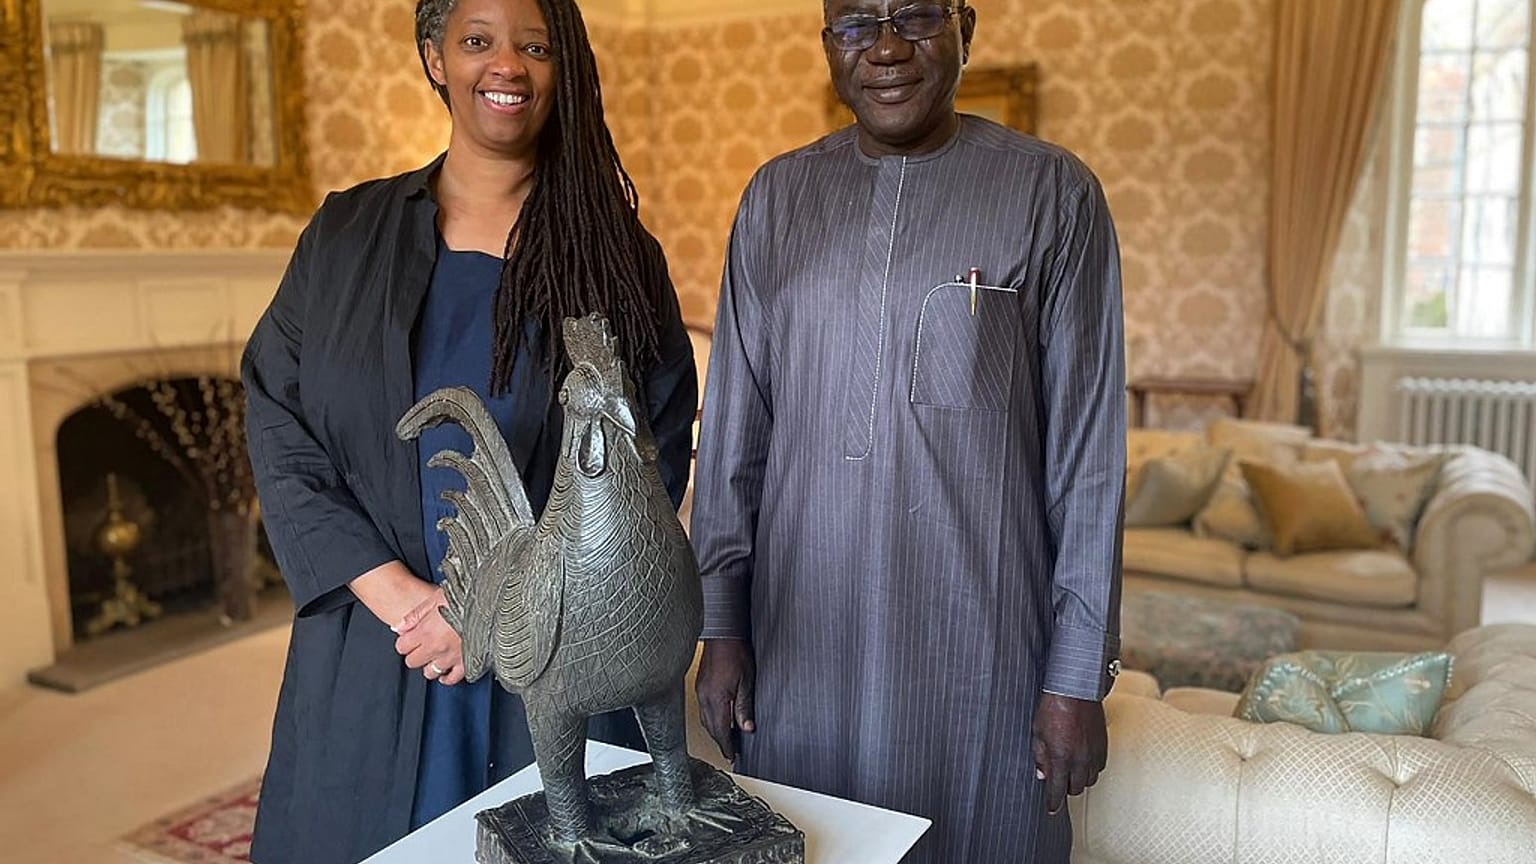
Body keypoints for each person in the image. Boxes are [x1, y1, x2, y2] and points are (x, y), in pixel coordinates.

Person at [241, 0, 697, 861]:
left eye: (536, 46)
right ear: (435, 57)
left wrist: (489, 613)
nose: (508, 67)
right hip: (382, 641)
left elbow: (651, 449)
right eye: (478, 42)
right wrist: (398, 594)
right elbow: (277, 414)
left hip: (555, 650)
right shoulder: (345, 234)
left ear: (567, 68)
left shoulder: (619, 259)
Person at [690, 1, 1124, 861]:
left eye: (916, 15)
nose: (886, 47)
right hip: (801, 651)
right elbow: (737, 428)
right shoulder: (776, 199)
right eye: (857, 24)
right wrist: (721, 623)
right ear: (828, 46)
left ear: (967, 25)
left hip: (982, 655)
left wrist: (1076, 678)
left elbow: (1088, 461)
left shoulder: (1053, 194)